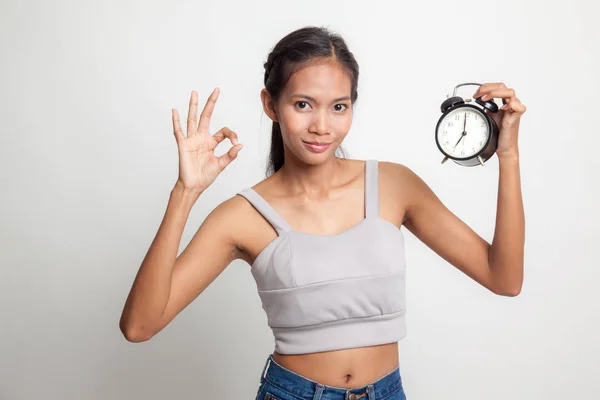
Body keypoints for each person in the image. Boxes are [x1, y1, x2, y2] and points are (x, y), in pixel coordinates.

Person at [119, 26, 527, 400]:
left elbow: (503, 277)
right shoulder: (241, 217)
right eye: (302, 104)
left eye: (338, 107)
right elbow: (139, 326)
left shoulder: (394, 185)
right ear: (271, 105)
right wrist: (185, 192)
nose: (321, 126)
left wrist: (507, 152)